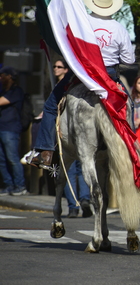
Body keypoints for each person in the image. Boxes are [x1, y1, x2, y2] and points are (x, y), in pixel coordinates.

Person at [26, 0, 135, 169]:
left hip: (82, 74)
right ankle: (131, 148)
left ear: (93, 3)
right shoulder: (119, 29)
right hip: (108, 76)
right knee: (129, 105)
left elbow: (69, 47)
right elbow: (129, 60)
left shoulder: (81, 23)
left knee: (51, 105)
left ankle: (44, 152)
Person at [51, 59, 92, 217]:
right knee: (80, 167)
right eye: (54, 66)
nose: (55, 68)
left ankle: (76, 203)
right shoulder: (82, 85)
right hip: (80, 129)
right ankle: (82, 200)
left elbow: (53, 109)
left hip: (65, 130)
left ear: (66, 70)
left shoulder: (63, 86)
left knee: (69, 169)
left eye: (59, 67)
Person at [0, 66, 27, 196]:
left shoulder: (16, 91)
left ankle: (20, 185)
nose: (1, 78)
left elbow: (2, 102)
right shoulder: (3, 91)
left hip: (10, 129)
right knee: (2, 159)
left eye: (3, 75)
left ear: (10, 77)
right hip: (2, 128)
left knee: (12, 158)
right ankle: (8, 185)